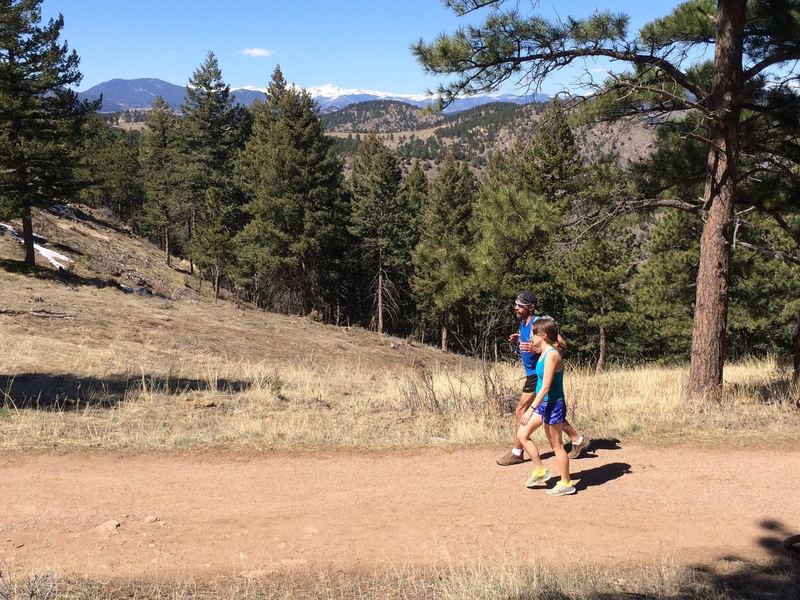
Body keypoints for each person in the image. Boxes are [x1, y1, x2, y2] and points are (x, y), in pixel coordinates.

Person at [496, 291, 589, 466]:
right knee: (549, 411)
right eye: (515, 304)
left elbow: (561, 345)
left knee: (520, 410)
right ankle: (577, 440)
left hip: (537, 374)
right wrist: (519, 339)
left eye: (520, 305)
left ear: (530, 307)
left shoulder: (539, 323)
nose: (516, 307)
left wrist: (535, 349)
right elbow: (532, 342)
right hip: (532, 373)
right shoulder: (523, 324)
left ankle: (517, 451)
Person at [517, 317, 576, 496]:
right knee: (522, 434)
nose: (531, 338)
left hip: (552, 404)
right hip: (543, 404)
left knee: (557, 446)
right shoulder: (544, 352)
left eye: (534, 334)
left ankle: (566, 483)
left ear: (542, 335)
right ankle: (540, 471)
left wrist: (531, 409)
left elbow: (545, 387)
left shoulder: (551, 355)